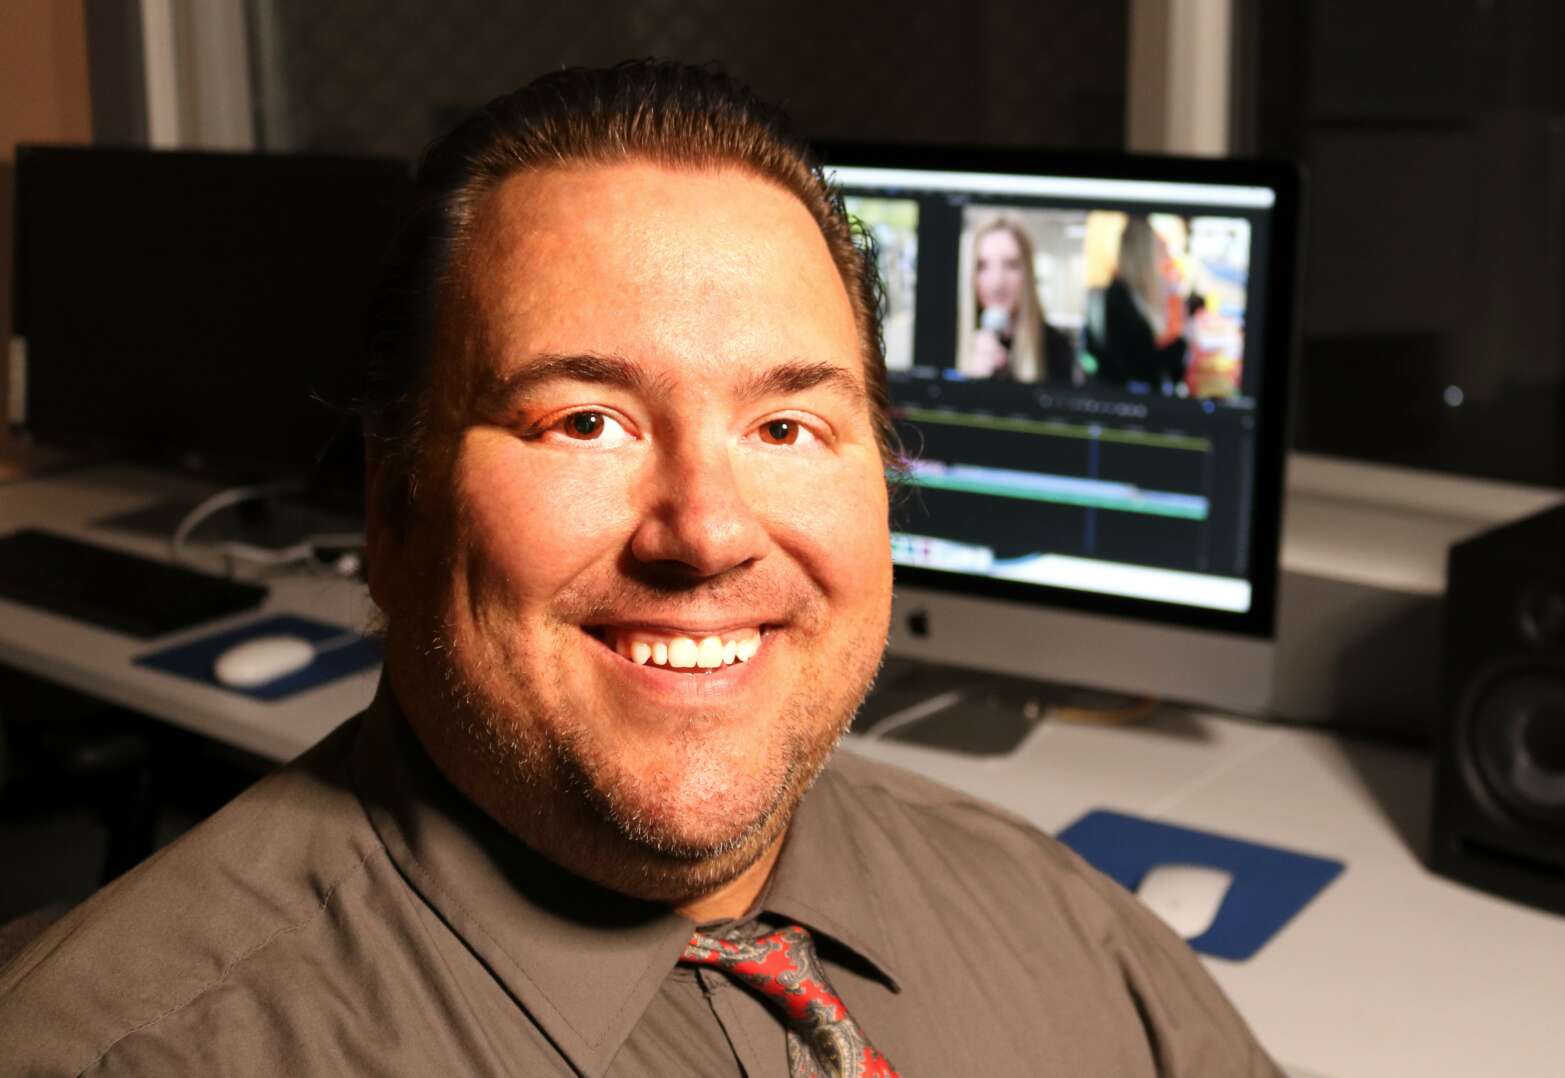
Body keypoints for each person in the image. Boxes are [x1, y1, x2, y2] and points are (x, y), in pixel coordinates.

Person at [0, 61, 1281, 1076]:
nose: (706, 532)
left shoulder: (1070, 929)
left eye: (787, 426)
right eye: (585, 420)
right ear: (393, 506)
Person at [959, 214, 1080, 384]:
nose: (997, 282)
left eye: (1011, 265)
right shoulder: (950, 342)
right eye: (982, 266)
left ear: (1028, 274)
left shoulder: (1057, 347)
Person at [1090, 216, 1191, 393]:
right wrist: (1181, 343)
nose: (1165, 258)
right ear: (1145, 253)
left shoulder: (1137, 296)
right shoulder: (1118, 299)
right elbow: (1138, 365)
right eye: (1160, 251)